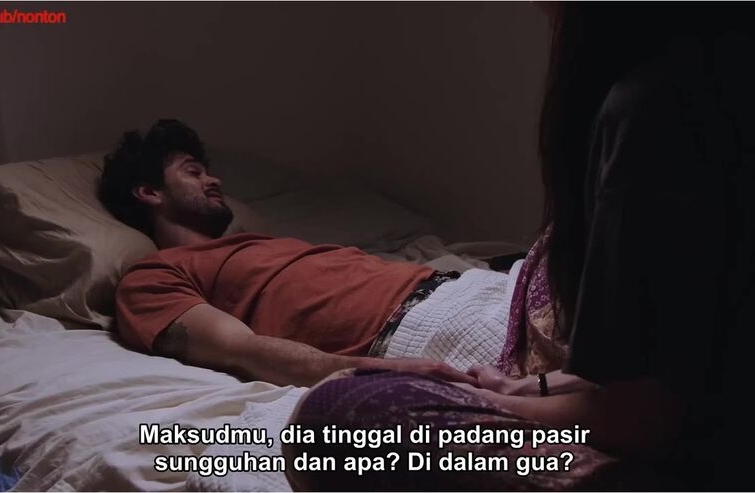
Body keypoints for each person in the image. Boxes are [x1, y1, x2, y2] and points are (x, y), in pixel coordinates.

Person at [282, 3, 755, 491]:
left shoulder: (658, 104)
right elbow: (683, 364)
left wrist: (489, 402)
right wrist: (535, 390)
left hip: (728, 462)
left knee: (335, 417)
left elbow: (644, 417)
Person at [99, 119, 526, 388]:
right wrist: (378, 372)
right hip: (418, 328)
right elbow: (240, 349)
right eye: (193, 172)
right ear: (149, 192)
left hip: (470, 290)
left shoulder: (262, 244)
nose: (214, 181)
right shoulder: (152, 277)